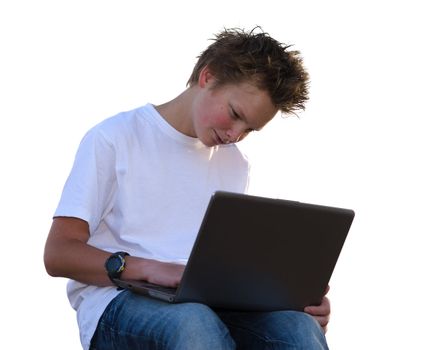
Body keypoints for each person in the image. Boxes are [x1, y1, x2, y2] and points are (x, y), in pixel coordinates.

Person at [44, 27, 331, 350]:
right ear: (207, 77)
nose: (235, 134)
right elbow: (58, 254)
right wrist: (149, 269)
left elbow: (226, 265)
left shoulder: (236, 164)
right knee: (194, 323)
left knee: (297, 329)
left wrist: (291, 296)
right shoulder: (114, 138)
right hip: (118, 302)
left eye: (249, 129)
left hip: (208, 302)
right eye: (235, 114)